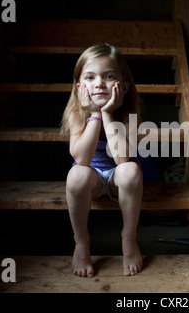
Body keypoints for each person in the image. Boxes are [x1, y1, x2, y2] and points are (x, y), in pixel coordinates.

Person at [60, 43, 143, 277]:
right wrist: (95, 114)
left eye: (108, 76)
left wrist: (107, 113)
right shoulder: (77, 112)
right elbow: (81, 158)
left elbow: (122, 158)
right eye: (90, 77)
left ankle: (128, 239)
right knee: (76, 174)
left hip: (119, 180)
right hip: (92, 179)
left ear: (124, 86)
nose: (99, 83)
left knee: (131, 169)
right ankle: (82, 243)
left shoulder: (128, 113)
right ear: (79, 87)